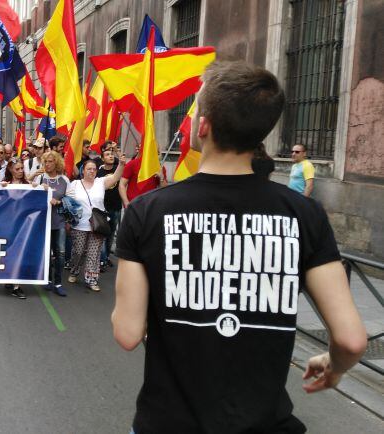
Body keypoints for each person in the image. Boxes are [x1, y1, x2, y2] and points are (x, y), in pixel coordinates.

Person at [112, 61, 368, 433]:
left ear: (203, 126)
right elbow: (351, 339)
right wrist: (335, 366)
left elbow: (127, 333)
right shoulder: (304, 214)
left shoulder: (147, 212)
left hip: (168, 423)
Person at [66, 155, 125, 292]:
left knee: (94, 254)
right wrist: (68, 222)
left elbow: (116, 177)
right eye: (89, 169)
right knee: (78, 252)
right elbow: (69, 205)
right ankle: (74, 271)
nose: (92, 171)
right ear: (83, 171)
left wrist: (121, 164)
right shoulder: (74, 184)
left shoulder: (101, 182)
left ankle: (91, 279)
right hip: (79, 225)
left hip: (97, 225)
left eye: (93, 169)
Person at [32, 151, 69, 297]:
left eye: (50, 161)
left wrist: (58, 201)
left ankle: (58, 282)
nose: (47, 164)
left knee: (60, 252)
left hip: (59, 221)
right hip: (43, 221)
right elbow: (29, 191)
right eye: (45, 161)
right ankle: (47, 279)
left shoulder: (64, 180)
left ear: (57, 163)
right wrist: (39, 185)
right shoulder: (41, 178)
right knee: (46, 251)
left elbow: (71, 201)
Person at [97, 147, 122, 271]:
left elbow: (124, 166)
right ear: (102, 158)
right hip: (103, 209)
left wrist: (118, 152)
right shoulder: (99, 172)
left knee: (111, 233)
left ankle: (106, 257)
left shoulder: (118, 169)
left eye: (112, 154)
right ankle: (101, 259)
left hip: (116, 207)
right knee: (102, 234)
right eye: (107, 154)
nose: (111, 156)